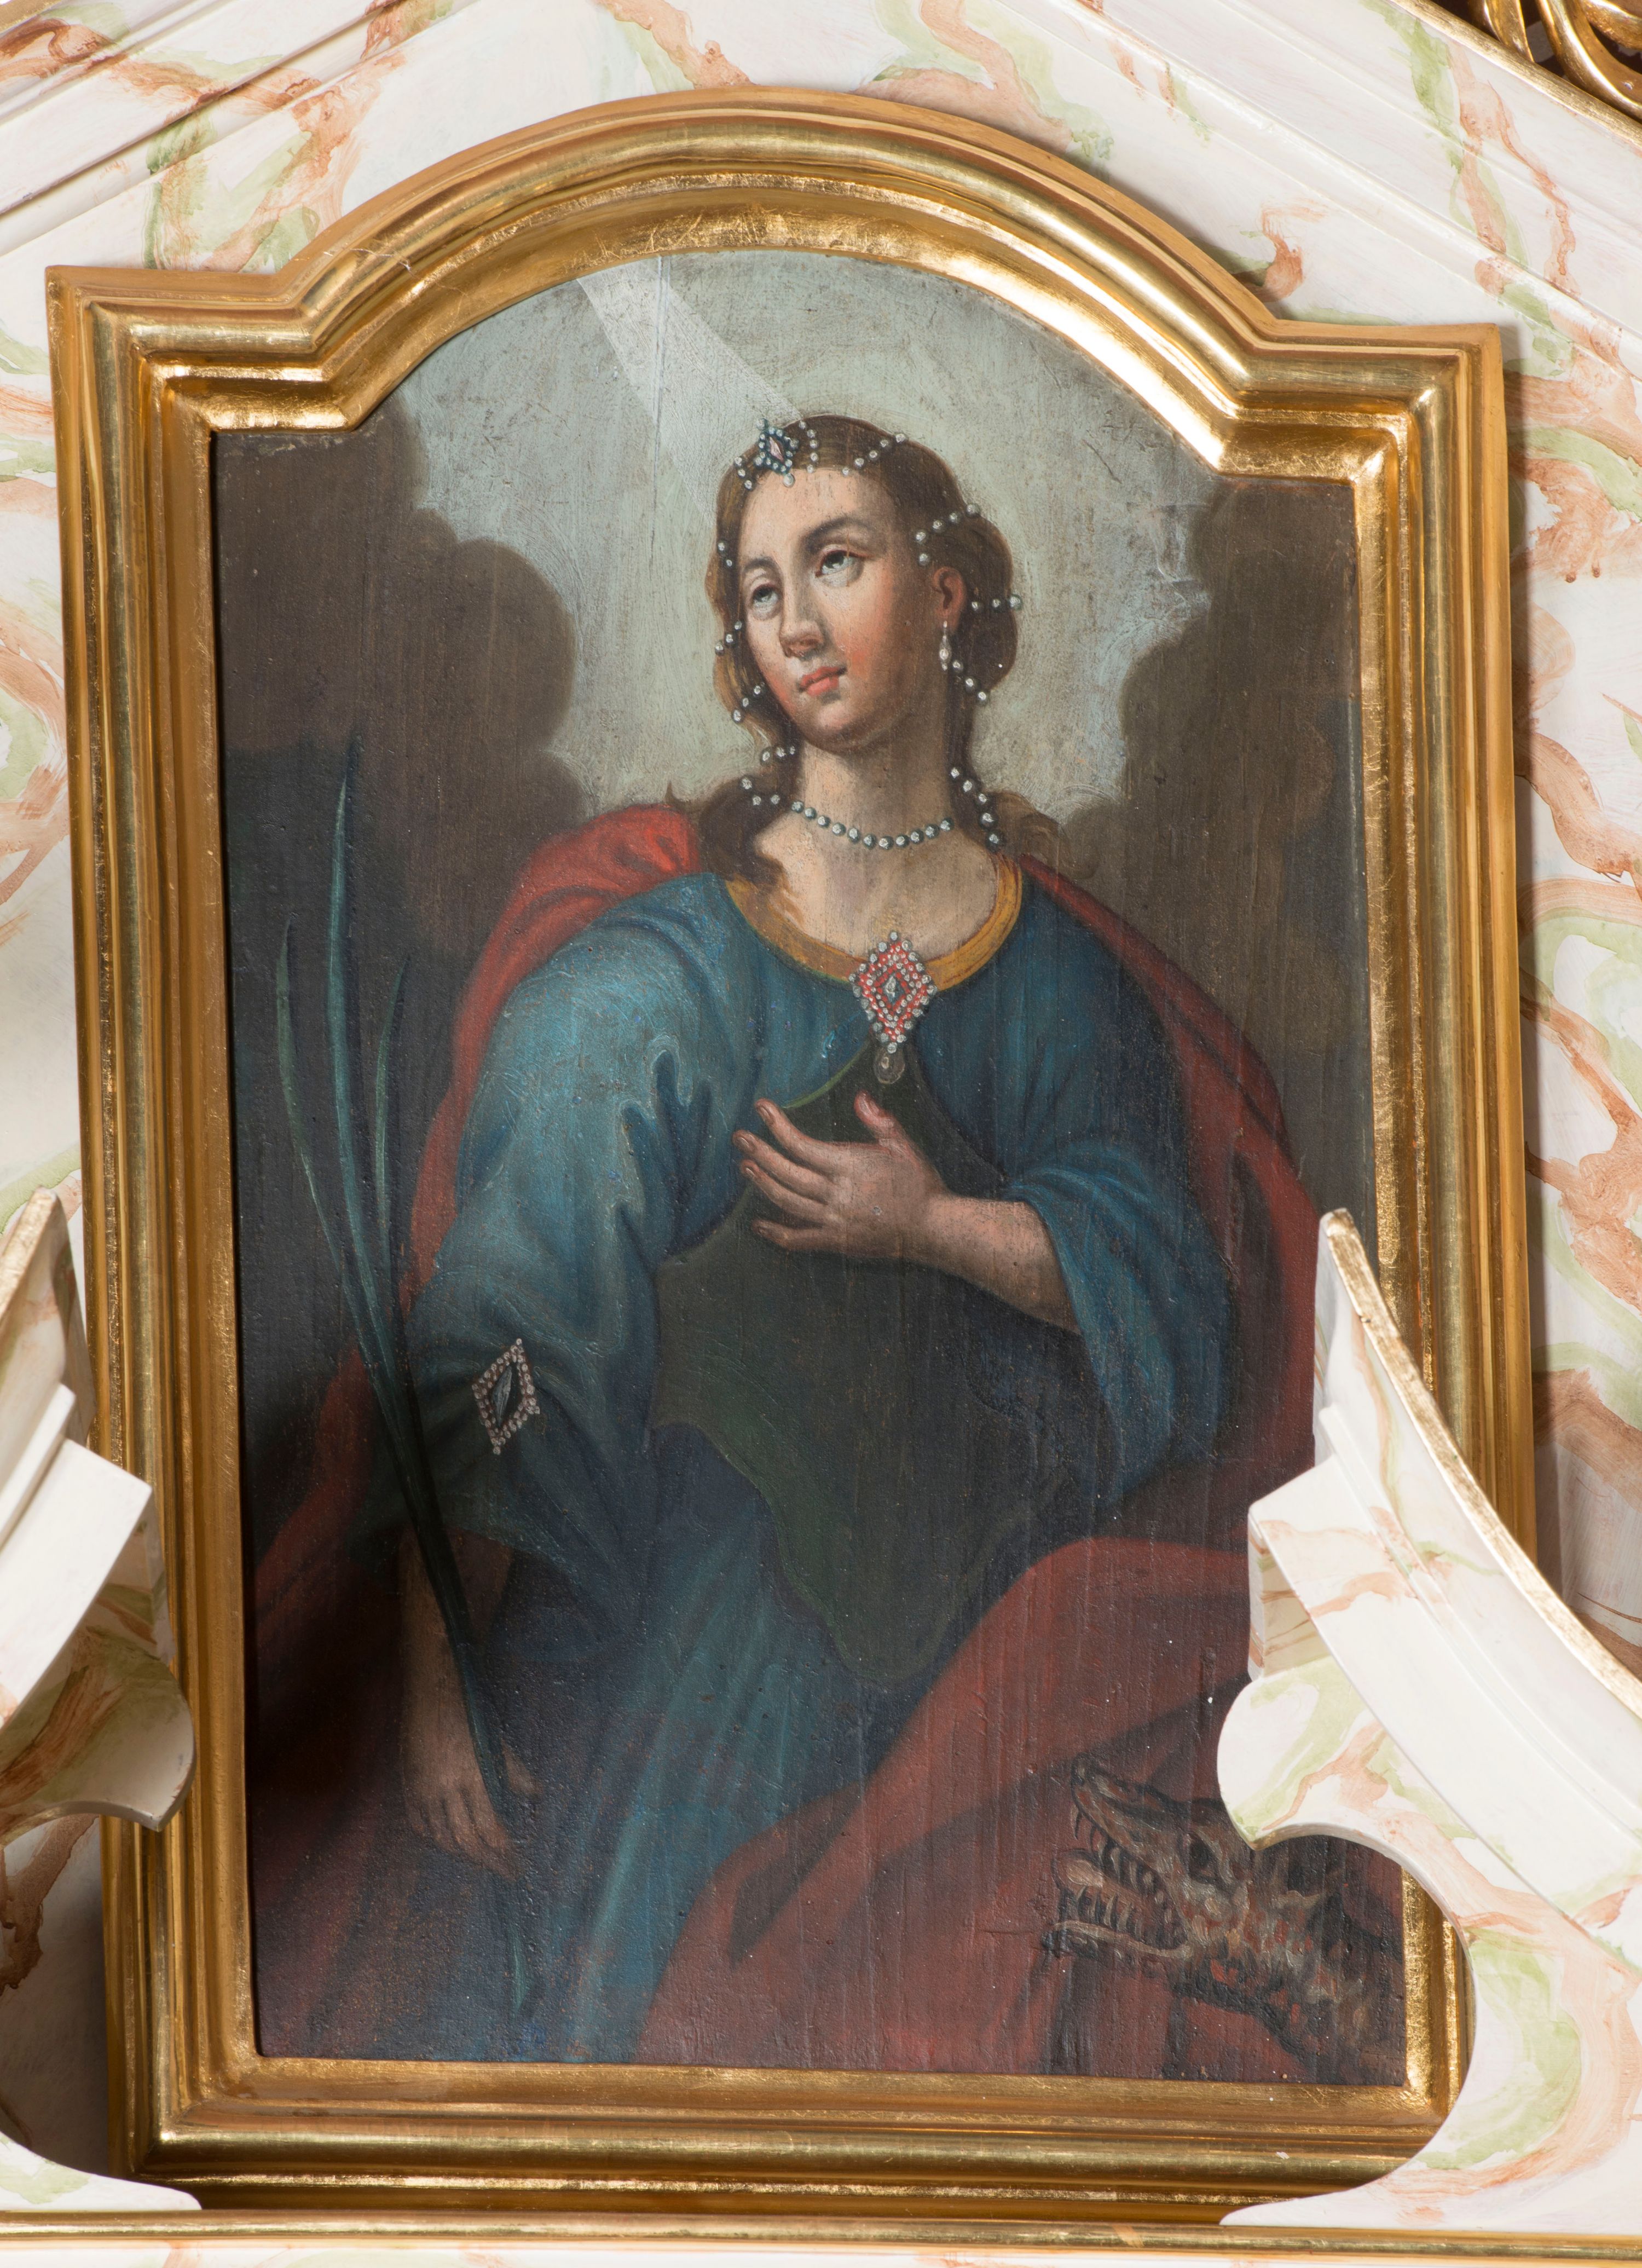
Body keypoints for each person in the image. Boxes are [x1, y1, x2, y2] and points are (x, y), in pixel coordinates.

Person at [376, 413, 1241, 2062]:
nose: (795, 620)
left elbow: (1170, 1294)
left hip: (991, 1661)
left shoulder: (1060, 979)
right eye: (762, 586)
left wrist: (939, 1228)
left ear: (947, 590)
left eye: (836, 561)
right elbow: (505, 1341)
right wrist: (436, 1670)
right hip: (708, 1654)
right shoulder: (652, 982)